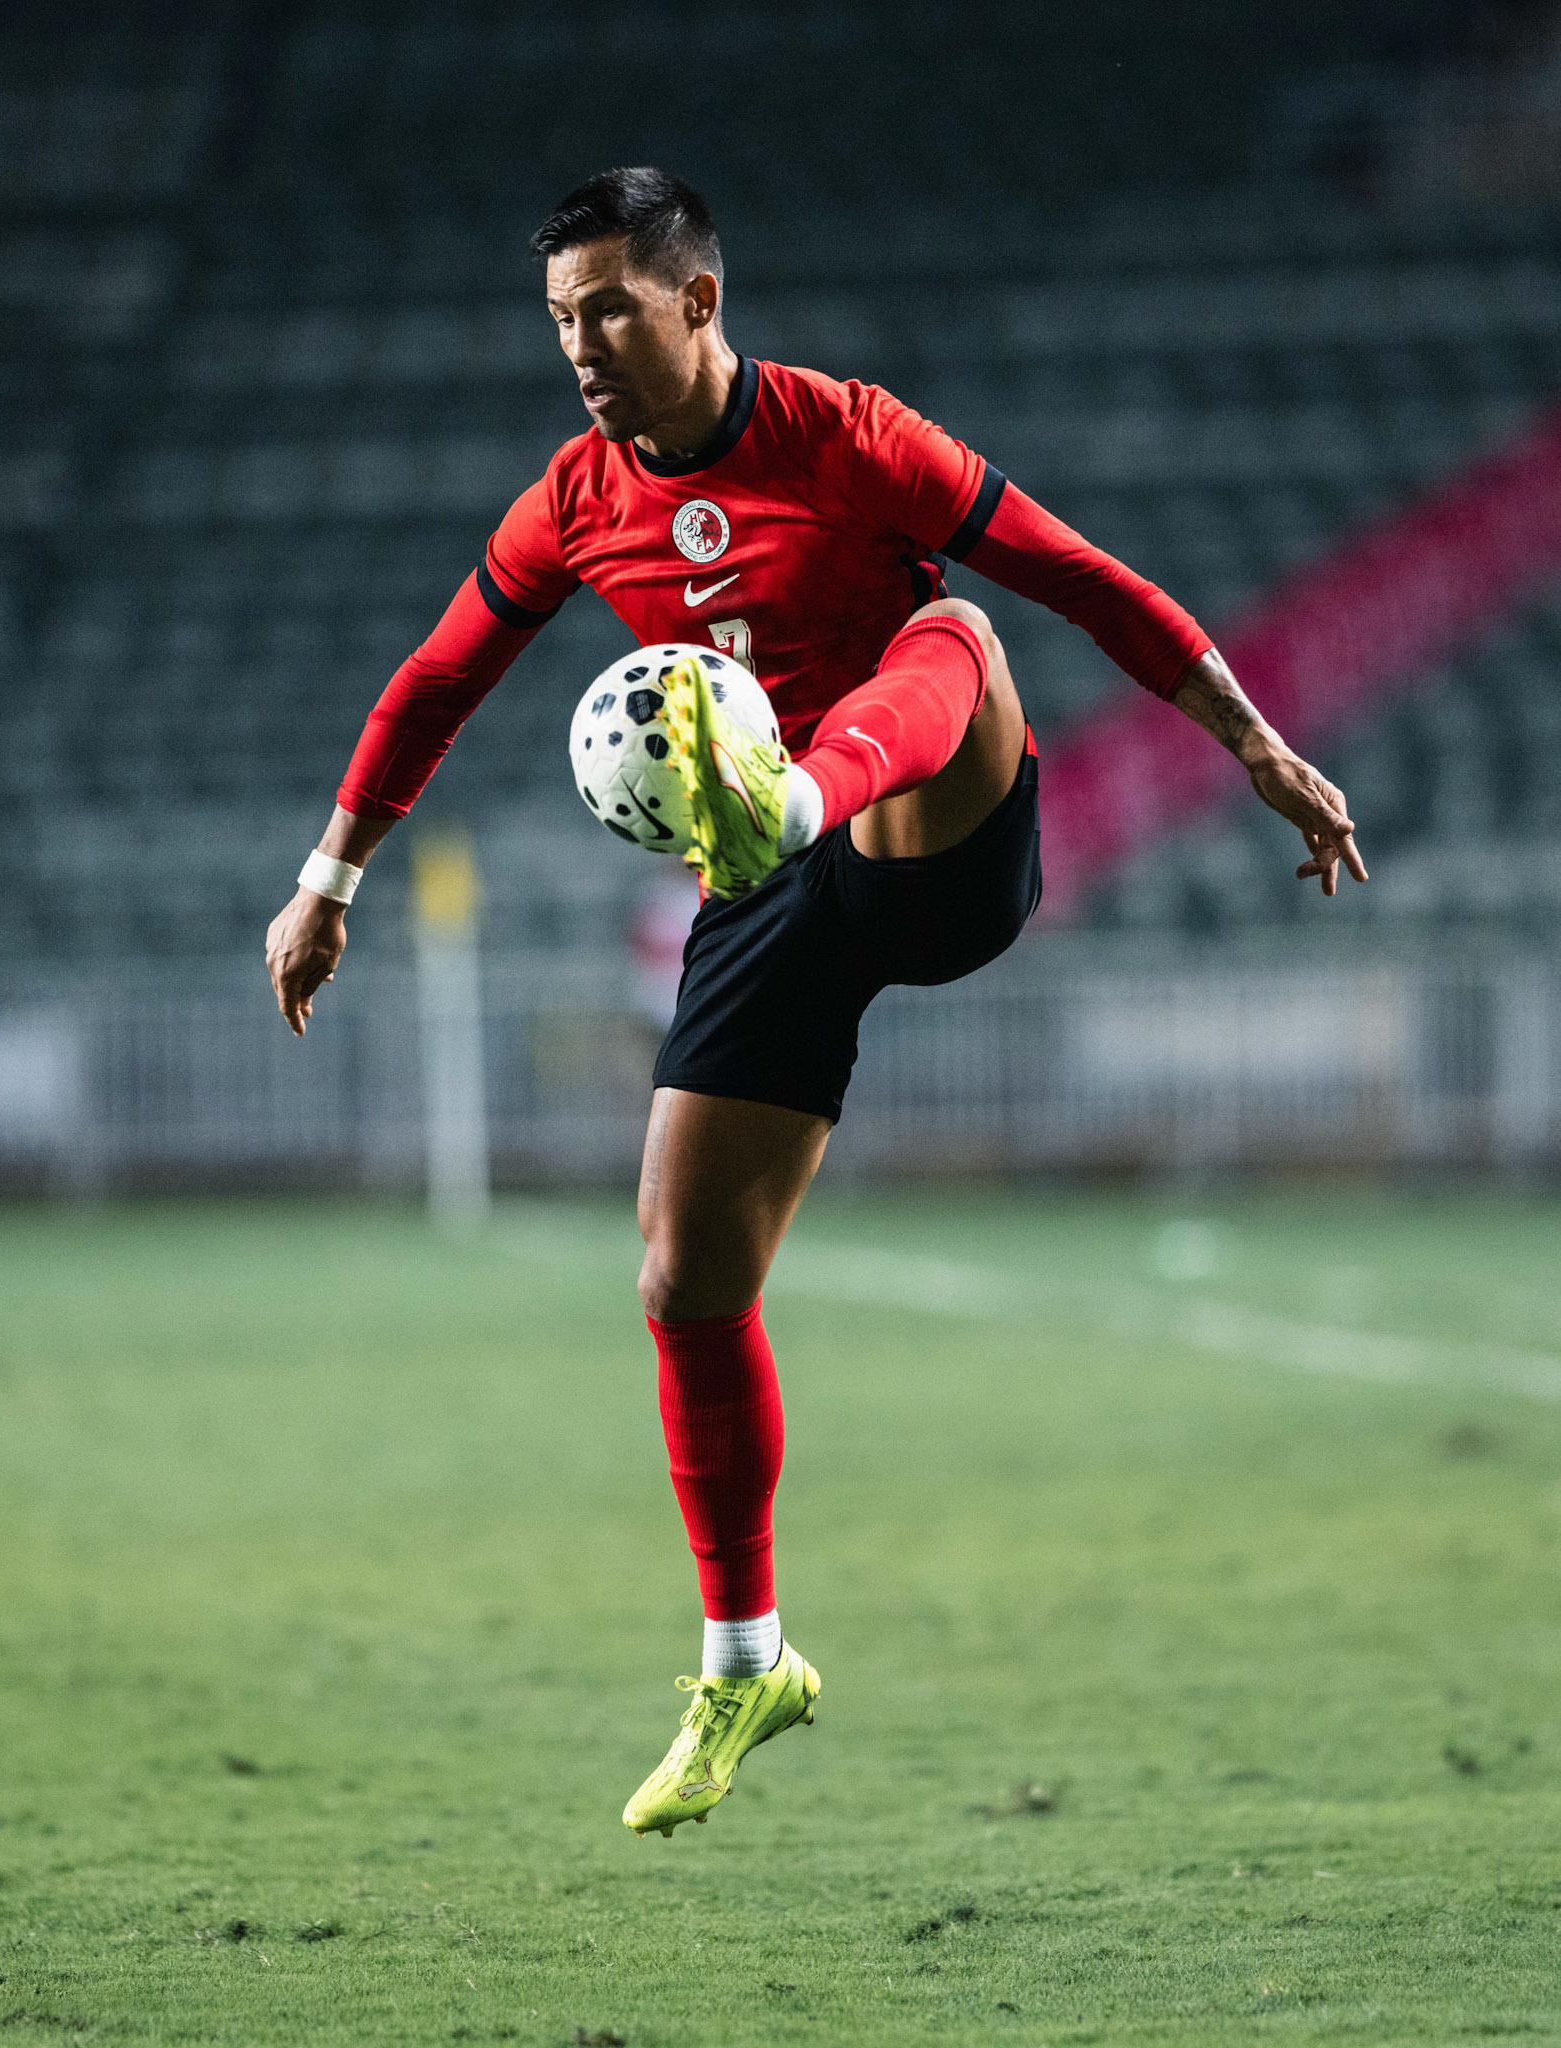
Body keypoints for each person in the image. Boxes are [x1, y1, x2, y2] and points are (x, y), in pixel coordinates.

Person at [266, 167, 1365, 1839]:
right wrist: (328, 879)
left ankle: (788, 788)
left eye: (609, 310)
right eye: (561, 318)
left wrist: (1255, 746)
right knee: (683, 1277)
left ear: (698, 304)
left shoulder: (847, 437)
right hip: (766, 884)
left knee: (964, 627)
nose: (580, 345)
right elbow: (434, 681)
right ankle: (742, 1659)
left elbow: (1078, 574)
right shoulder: (570, 500)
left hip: (927, 834)